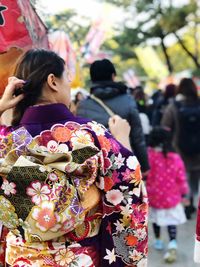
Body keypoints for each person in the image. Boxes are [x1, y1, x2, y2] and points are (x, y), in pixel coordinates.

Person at [0, 49, 148, 267]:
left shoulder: (7, 140)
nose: (70, 87)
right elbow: (126, 184)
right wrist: (123, 141)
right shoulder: (91, 136)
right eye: (67, 78)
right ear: (53, 81)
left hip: (22, 258)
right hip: (78, 258)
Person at [77, 59, 150, 175]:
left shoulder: (83, 106)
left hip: (100, 168)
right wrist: (144, 166)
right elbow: (137, 137)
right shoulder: (128, 100)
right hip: (127, 162)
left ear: (92, 79)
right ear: (113, 76)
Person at [146, 127, 189, 263]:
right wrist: (184, 194)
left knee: (156, 220)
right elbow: (181, 178)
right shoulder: (174, 157)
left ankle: (158, 241)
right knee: (171, 221)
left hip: (154, 197)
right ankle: (172, 243)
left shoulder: (148, 156)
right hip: (171, 197)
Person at [161, 78, 200, 219]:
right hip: (198, 151)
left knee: (183, 177)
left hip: (179, 149)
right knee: (195, 177)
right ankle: (193, 200)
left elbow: (165, 126)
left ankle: (187, 201)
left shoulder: (174, 106)